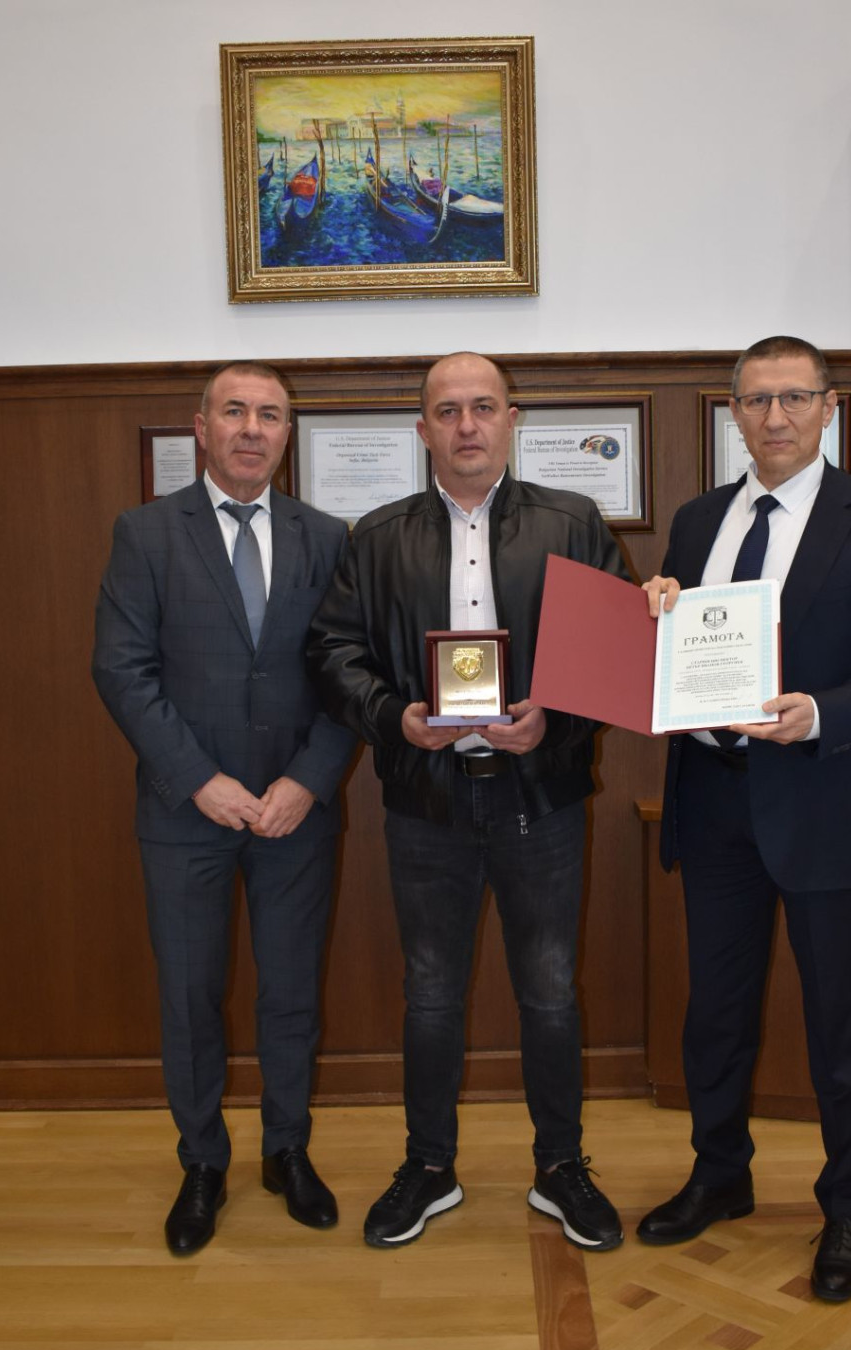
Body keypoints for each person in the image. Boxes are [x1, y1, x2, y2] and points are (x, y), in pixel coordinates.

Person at [640, 335, 851, 1301]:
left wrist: (820, 714)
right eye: (757, 400)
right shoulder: (697, 521)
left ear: (829, 407)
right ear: (733, 412)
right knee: (716, 1014)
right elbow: (676, 657)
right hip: (714, 802)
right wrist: (653, 614)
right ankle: (719, 1175)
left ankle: (846, 1207)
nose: (776, 416)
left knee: (839, 1022)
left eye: (795, 398)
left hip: (823, 800)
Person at [306, 352, 627, 1251]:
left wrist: (551, 723)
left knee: (551, 993)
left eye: (484, 407)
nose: (468, 426)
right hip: (427, 804)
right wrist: (395, 719)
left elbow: (612, 652)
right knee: (431, 994)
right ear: (423, 430)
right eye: (447, 412)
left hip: (540, 799)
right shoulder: (377, 537)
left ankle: (560, 1166)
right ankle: (429, 1166)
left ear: (512, 420)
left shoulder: (572, 522)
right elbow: (333, 654)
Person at [92, 362, 356, 1256]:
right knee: (190, 996)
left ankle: (288, 1150)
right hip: (185, 814)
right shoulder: (145, 533)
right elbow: (121, 669)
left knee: (292, 993)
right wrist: (199, 779)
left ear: (288, 434)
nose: (252, 428)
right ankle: (202, 1161)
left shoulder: (328, 537)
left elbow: (349, 673)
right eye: (234, 411)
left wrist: (308, 781)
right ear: (201, 428)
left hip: (293, 814)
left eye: (269, 415)